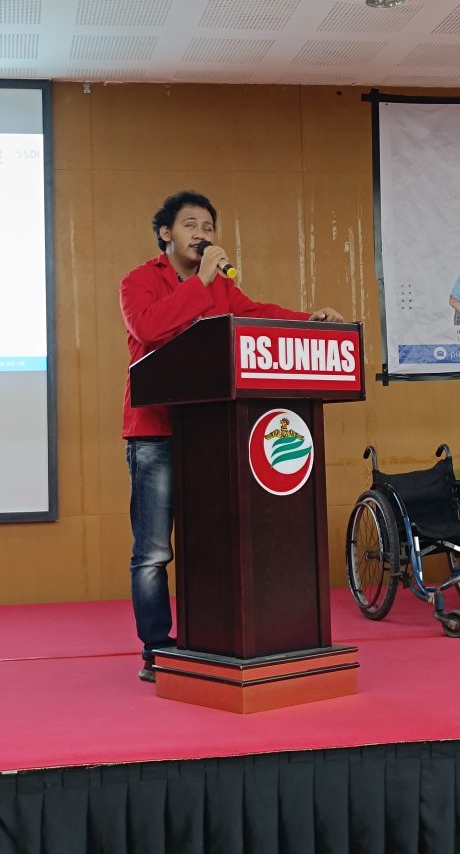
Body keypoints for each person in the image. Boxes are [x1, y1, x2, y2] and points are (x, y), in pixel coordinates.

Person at [120, 190, 344, 681]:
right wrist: (201, 282)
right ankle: (156, 647)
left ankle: (207, 638)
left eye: (209, 227)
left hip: (210, 433)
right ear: (165, 233)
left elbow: (254, 313)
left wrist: (307, 320)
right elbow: (150, 329)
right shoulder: (139, 281)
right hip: (156, 434)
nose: (202, 234)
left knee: (210, 539)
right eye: (191, 225)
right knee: (154, 552)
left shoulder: (221, 286)